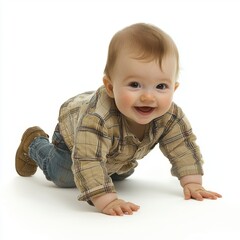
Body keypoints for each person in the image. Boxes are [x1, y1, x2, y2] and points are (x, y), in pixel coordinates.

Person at [15, 23, 222, 216]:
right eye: (134, 84)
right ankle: (33, 143)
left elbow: (182, 146)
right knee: (64, 176)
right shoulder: (97, 118)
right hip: (74, 138)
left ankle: (110, 168)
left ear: (174, 88)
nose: (148, 97)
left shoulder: (169, 116)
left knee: (122, 174)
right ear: (111, 87)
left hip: (116, 152)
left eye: (161, 87)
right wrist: (106, 199)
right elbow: (88, 158)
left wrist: (193, 182)